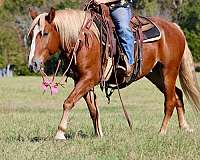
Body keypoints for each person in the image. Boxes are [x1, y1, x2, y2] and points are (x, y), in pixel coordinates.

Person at [94, 0, 135, 76]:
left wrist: (103, 1)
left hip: (118, 7)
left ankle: (130, 62)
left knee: (124, 28)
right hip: (97, 7)